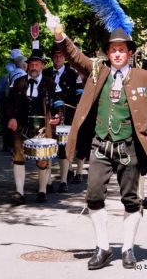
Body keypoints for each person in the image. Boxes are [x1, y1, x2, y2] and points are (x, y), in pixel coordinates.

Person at [46, 21, 147, 270]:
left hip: (128, 147)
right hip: (99, 145)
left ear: (129, 53)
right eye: (113, 49)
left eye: (122, 49)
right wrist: (60, 35)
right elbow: (74, 56)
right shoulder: (98, 69)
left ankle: (128, 249)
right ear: (108, 52)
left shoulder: (144, 76)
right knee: (93, 196)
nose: (117, 53)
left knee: (131, 200)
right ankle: (103, 247)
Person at [6, 49, 63, 204]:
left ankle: (42, 191)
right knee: (18, 157)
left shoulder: (50, 83)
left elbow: (58, 102)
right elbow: (9, 102)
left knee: (42, 160)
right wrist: (11, 118)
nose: (34, 67)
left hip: (42, 128)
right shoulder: (19, 82)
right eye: (31, 64)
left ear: (42, 66)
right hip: (21, 126)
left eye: (37, 64)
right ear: (27, 66)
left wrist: (57, 116)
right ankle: (19, 192)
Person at [44, 44, 84, 191]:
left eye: (61, 55)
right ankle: (47, 182)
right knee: (48, 148)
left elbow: (80, 96)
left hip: (67, 117)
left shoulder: (73, 74)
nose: (58, 58)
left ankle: (63, 181)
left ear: (65, 57)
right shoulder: (45, 73)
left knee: (64, 149)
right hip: (49, 117)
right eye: (55, 55)